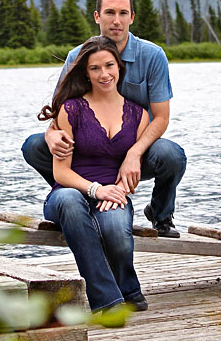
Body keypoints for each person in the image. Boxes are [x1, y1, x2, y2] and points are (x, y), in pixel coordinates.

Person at [23, 0, 186, 237]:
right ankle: (74, 197)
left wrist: (134, 153)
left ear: (132, 17)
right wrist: (51, 134)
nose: (116, 21)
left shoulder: (153, 56)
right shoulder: (77, 56)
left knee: (171, 154)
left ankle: (160, 214)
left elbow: (162, 117)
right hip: (90, 149)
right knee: (34, 146)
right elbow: (58, 113)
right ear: (97, 17)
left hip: (136, 148)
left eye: (123, 13)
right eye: (110, 13)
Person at [38, 36, 149, 312]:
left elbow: (132, 167)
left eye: (109, 65)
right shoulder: (72, 109)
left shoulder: (139, 115)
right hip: (69, 192)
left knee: (116, 232)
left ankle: (129, 289)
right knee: (71, 203)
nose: (104, 74)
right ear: (86, 73)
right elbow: (60, 172)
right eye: (95, 68)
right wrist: (96, 189)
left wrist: (118, 191)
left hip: (113, 192)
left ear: (119, 67)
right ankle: (108, 301)